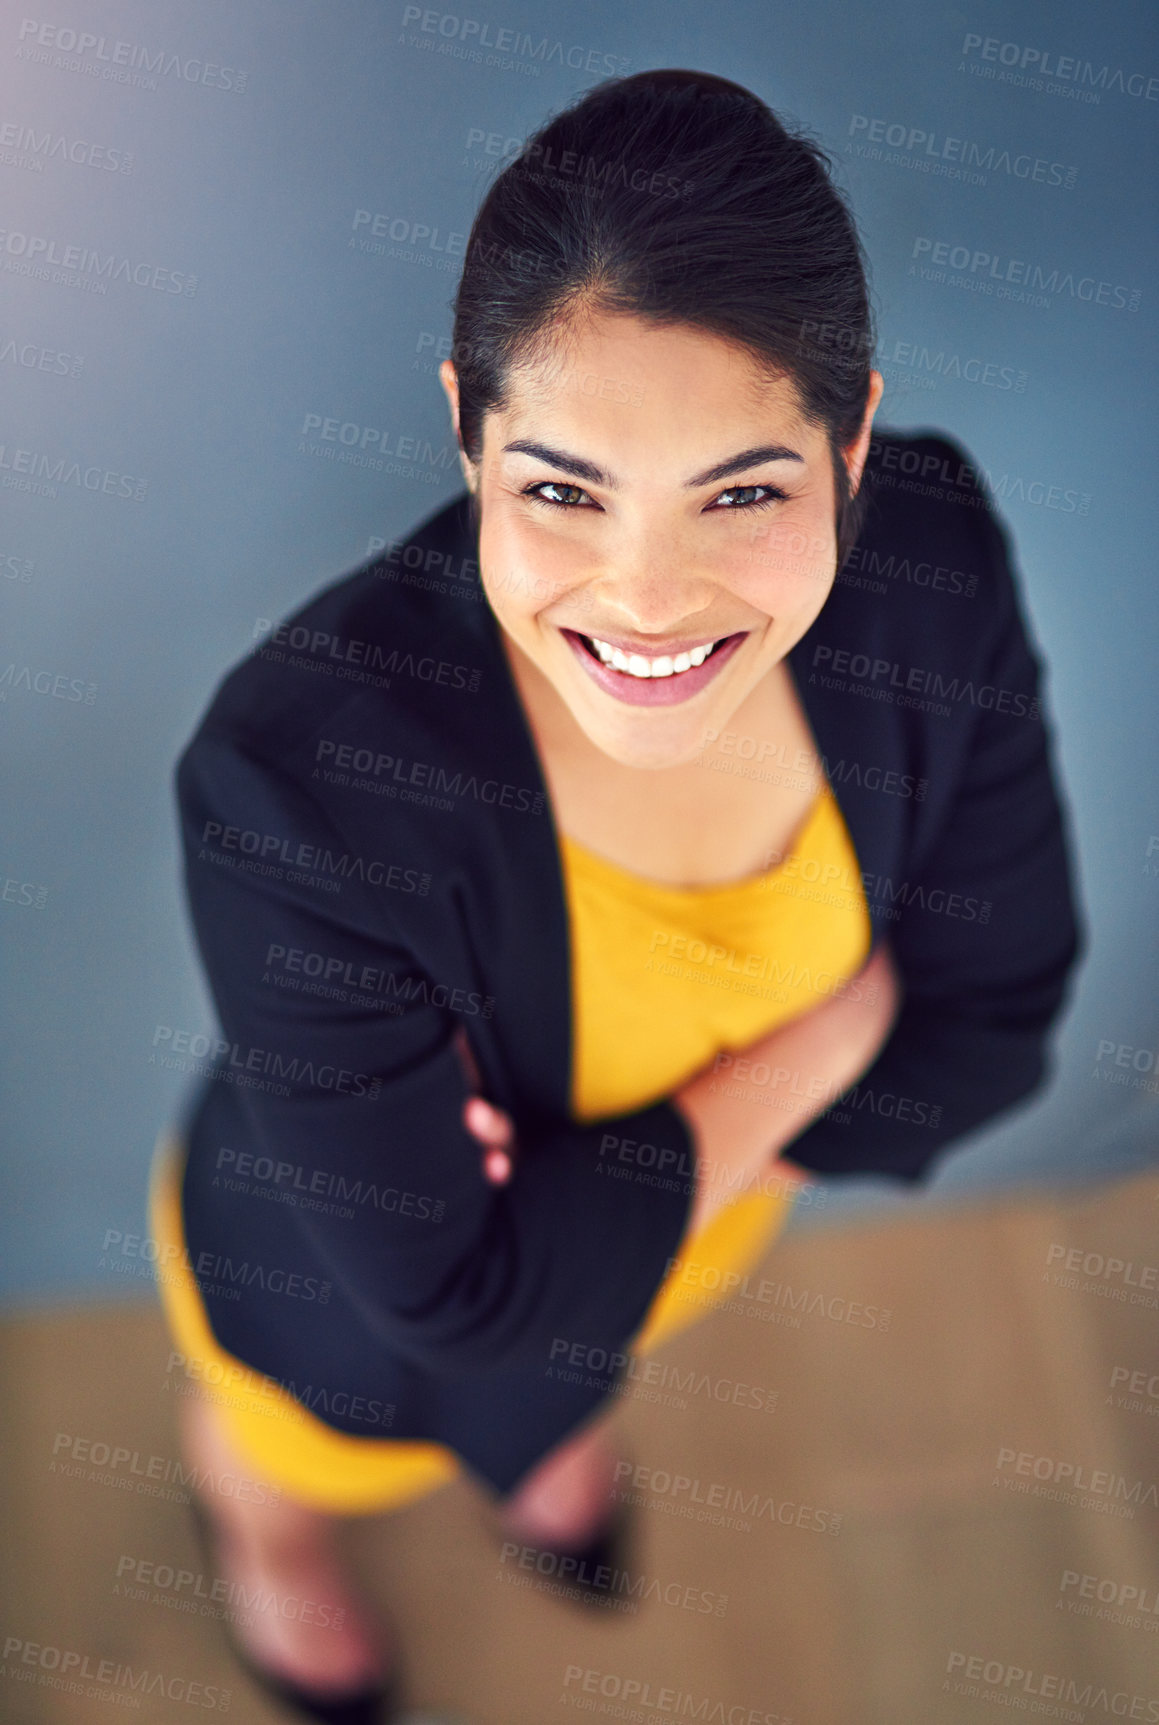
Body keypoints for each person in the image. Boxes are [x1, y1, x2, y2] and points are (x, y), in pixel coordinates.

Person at [149, 68, 1082, 1724]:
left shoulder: (929, 556)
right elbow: (451, 1298)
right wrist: (826, 1032)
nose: (650, 603)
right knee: (309, 1447)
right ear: (465, 425)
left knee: (566, 1361)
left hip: (676, 1242)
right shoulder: (293, 780)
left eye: (743, 491)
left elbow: (993, 1037)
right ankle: (261, 1536)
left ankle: (552, 1433)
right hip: (334, 1299)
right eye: (563, 490)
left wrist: (568, 1230)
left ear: (853, 437)